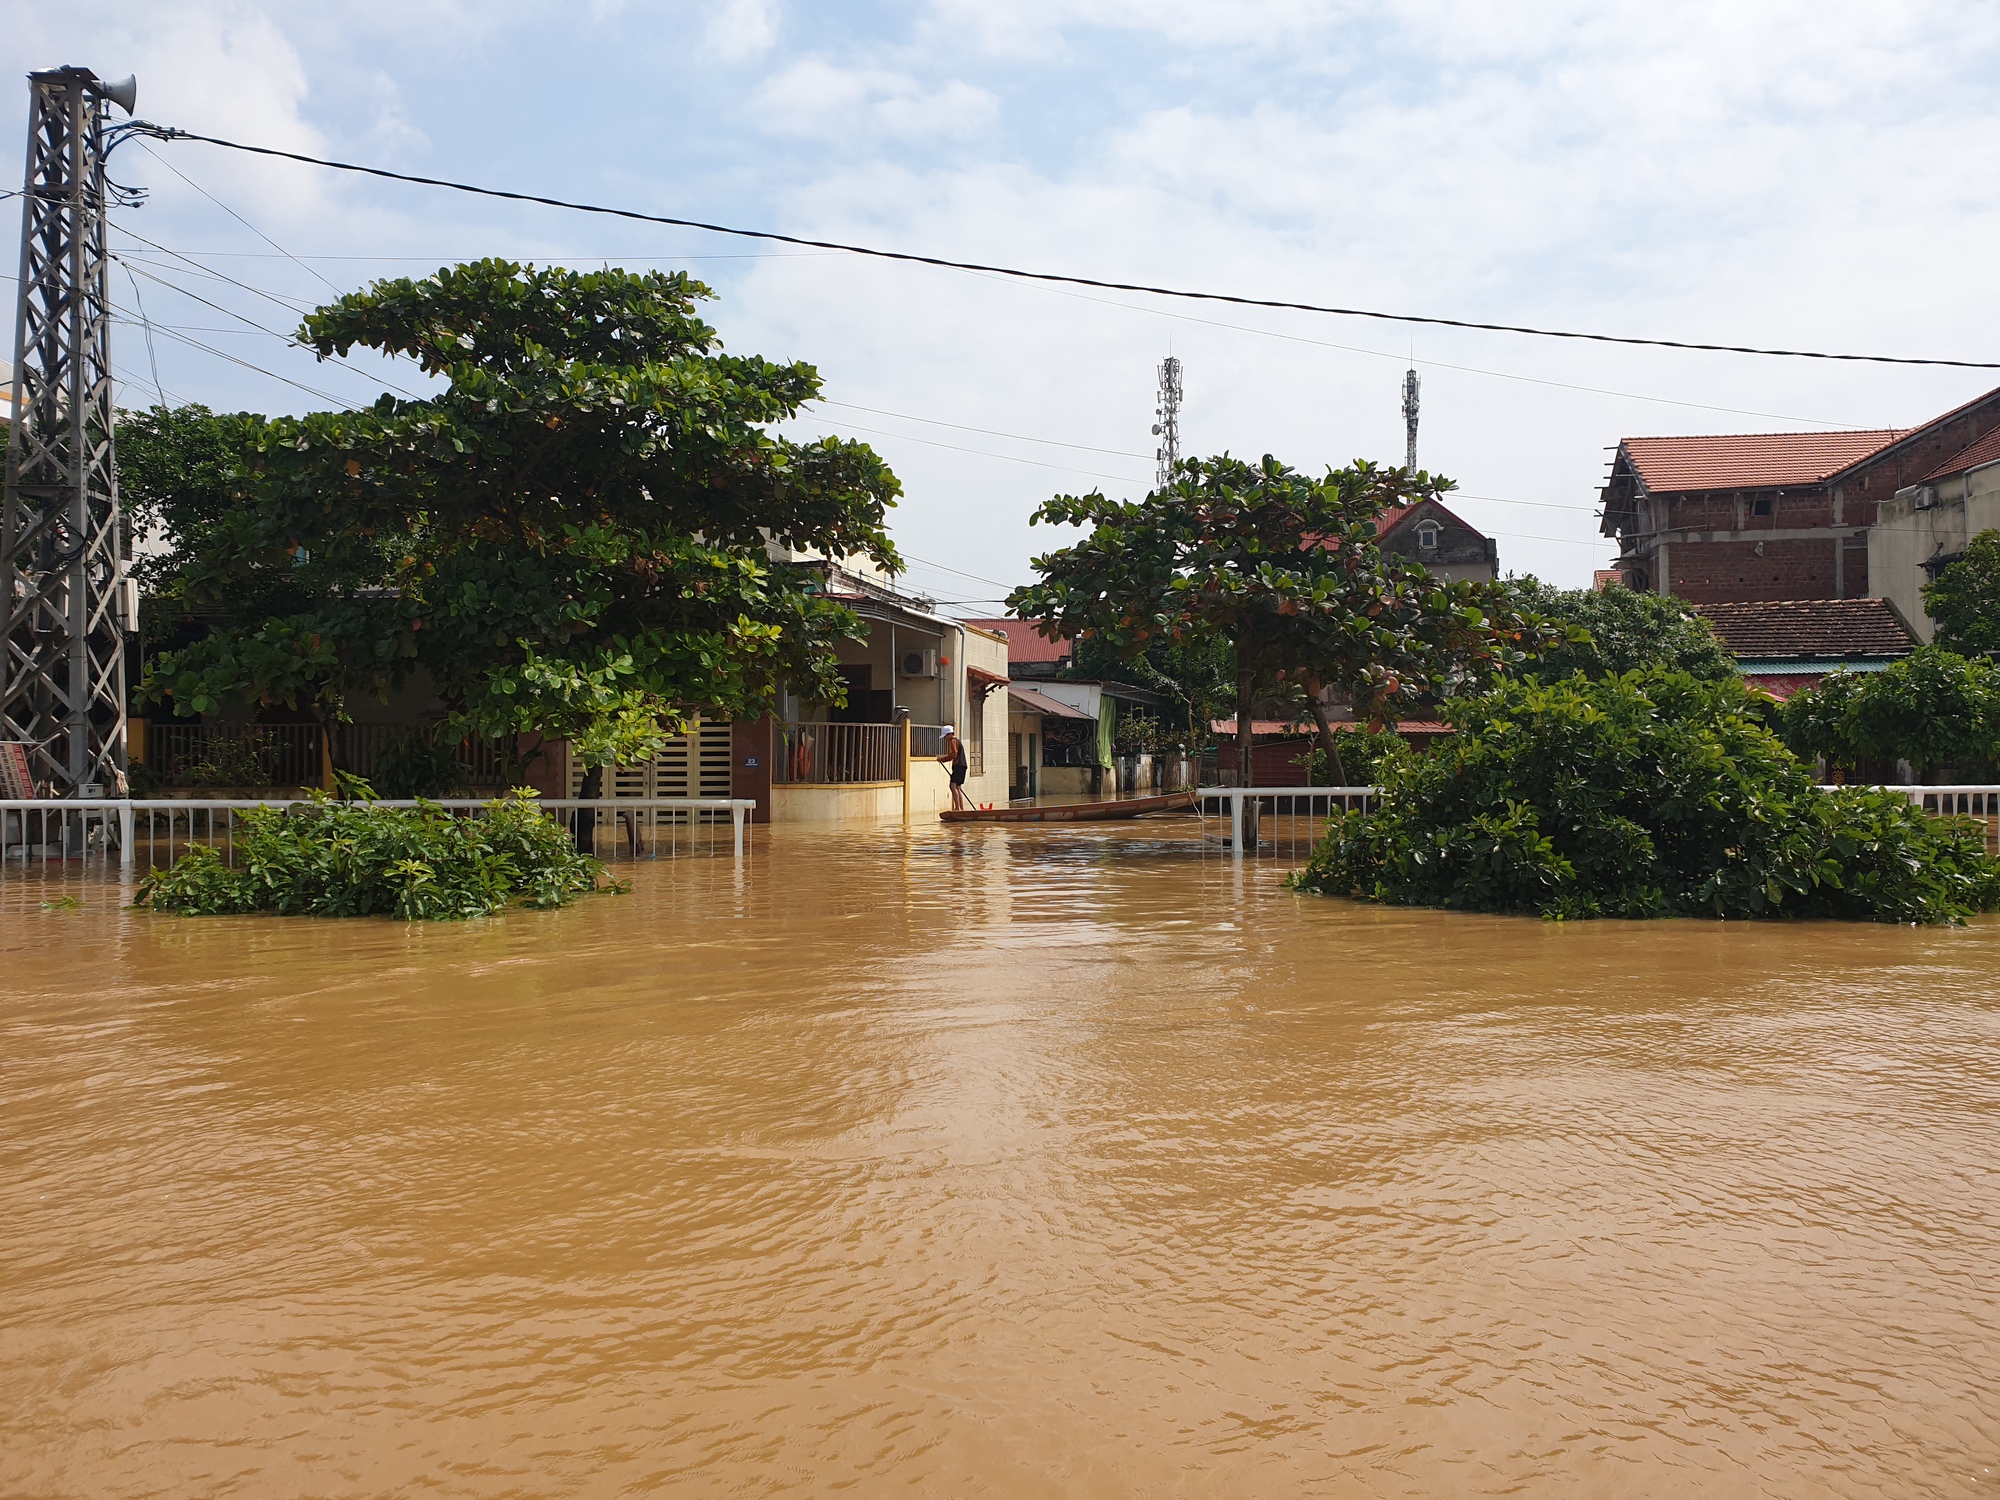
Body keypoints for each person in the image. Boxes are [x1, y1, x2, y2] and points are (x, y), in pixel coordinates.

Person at [937, 724, 970, 811]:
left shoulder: (953, 741)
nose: (945, 739)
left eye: (945, 737)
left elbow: (954, 754)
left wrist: (942, 759)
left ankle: (958, 808)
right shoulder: (957, 741)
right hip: (963, 766)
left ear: (949, 734)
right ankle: (961, 809)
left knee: (952, 785)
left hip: (959, 766)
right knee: (957, 787)